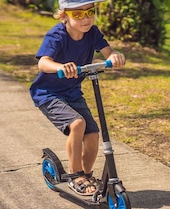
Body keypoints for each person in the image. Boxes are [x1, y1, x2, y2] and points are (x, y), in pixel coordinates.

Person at [30, 0, 126, 196]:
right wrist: (61, 67)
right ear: (64, 15)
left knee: (92, 134)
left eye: (90, 12)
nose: (86, 18)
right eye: (78, 14)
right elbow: (43, 63)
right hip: (48, 94)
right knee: (77, 124)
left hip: (72, 92)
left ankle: (86, 175)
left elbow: (108, 52)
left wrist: (115, 56)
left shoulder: (93, 33)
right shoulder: (57, 36)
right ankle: (76, 176)